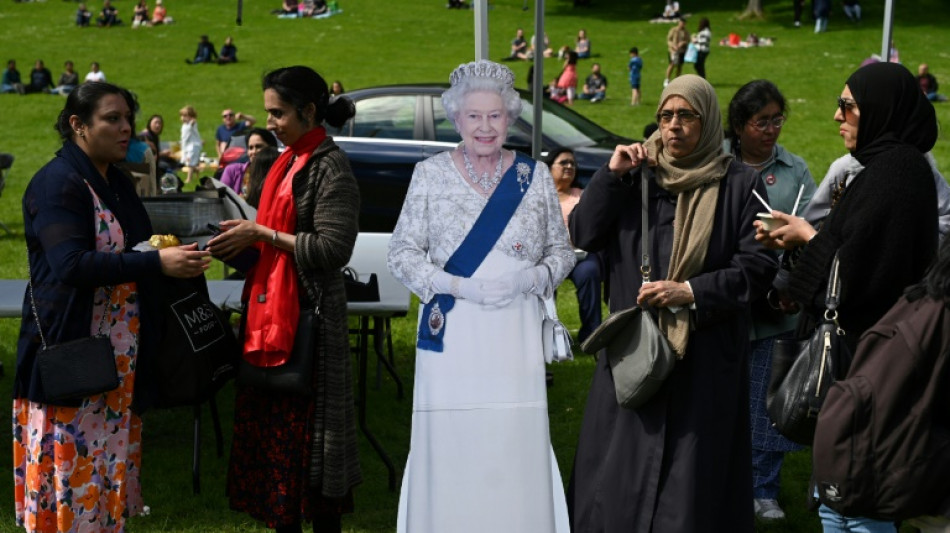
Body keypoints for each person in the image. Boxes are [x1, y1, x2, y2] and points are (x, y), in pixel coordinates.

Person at [567, 74, 778, 532]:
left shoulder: (740, 184)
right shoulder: (634, 177)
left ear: (709, 121)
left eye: (687, 116)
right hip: (633, 356)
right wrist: (610, 175)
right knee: (616, 481)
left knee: (691, 487)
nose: (673, 126)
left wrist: (694, 293)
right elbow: (583, 233)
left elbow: (758, 270)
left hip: (702, 360)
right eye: (666, 115)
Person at [13, 81, 211, 533]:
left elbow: (135, 246)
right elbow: (70, 264)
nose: (127, 130)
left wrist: (174, 254)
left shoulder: (112, 179)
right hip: (74, 355)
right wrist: (156, 261)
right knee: (75, 476)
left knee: (105, 476)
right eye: (113, 119)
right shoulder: (57, 183)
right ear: (78, 125)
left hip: (119, 359)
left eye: (128, 120)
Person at [387, 59, 575, 532]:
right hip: (452, 335)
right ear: (456, 119)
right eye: (474, 116)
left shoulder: (533, 177)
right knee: (454, 438)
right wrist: (452, 285)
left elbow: (561, 251)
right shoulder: (429, 174)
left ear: (510, 118)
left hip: (514, 335)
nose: (485, 127)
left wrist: (530, 279)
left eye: (495, 116)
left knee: (512, 437)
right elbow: (402, 253)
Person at [754, 61, 939, 533]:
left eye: (848, 106)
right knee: (839, 501)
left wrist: (806, 239)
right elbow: (848, 247)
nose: (837, 116)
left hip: (873, 361)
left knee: (858, 502)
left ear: (880, 110)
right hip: (863, 361)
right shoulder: (880, 168)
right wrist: (802, 241)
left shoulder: (898, 172)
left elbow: (864, 275)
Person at [208, 65, 362, 533]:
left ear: (309, 111)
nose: (269, 122)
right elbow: (276, 247)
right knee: (281, 464)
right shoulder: (287, 159)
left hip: (310, 327)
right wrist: (236, 242)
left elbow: (332, 250)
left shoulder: (330, 166)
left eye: (278, 113)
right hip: (274, 316)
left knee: (313, 465)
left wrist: (263, 233)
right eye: (268, 112)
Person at [725, 79, 816, 521]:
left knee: (768, 403)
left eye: (777, 120)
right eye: (761, 121)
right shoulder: (718, 164)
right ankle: (717, 480)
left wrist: (794, 287)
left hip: (778, 307)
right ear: (739, 125)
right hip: (726, 305)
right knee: (721, 397)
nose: (771, 129)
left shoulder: (795, 170)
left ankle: (763, 490)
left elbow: (818, 232)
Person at [548, 147, 603, 342]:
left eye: (572, 163)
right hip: (550, 258)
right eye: (564, 162)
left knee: (590, 272)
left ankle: (592, 334)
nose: (569, 166)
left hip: (579, 256)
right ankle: (549, 335)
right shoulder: (539, 196)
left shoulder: (582, 196)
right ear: (550, 167)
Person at [220, 127, 279, 195]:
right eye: (250, 148)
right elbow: (221, 199)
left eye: (258, 146)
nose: (253, 152)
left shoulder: (277, 174)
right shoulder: (232, 171)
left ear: (271, 148)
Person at [178, 105, 202, 183]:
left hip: (193, 146)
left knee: (191, 162)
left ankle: (189, 178)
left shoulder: (192, 124)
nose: (183, 118)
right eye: (181, 115)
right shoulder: (184, 126)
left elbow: (191, 127)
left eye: (185, 116)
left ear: (191, 117)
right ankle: (197, 169)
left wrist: (192, 121)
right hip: (187, 146)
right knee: (187, 162)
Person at [664, 17, 690, 87]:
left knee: (680, 66)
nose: (682, 24)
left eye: (684, 23)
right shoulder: (673, 30)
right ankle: (667, 79)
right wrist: (673, 45)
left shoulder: (686, 32)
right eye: (681, 23)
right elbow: (669, 40)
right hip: (673, 51)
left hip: (681, 51)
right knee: (672, 64)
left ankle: (677, 80)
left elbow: (688, 40)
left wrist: (683, 43)